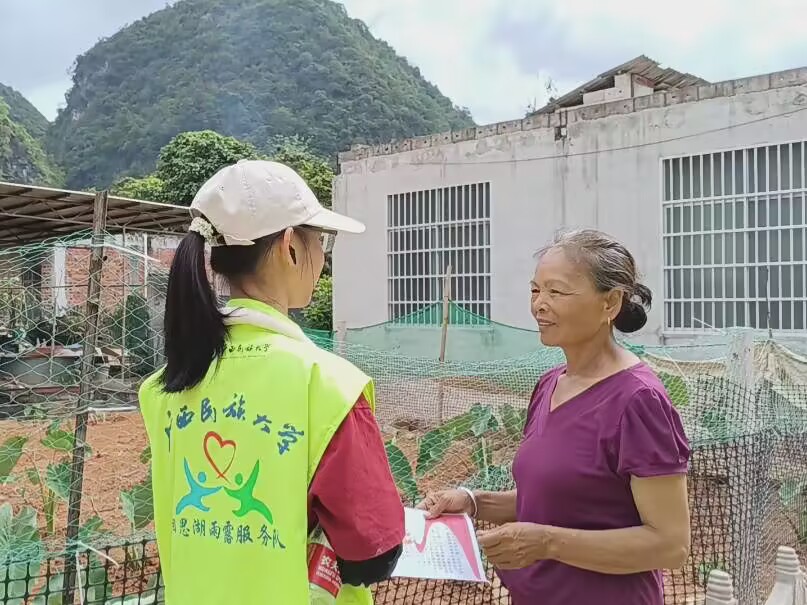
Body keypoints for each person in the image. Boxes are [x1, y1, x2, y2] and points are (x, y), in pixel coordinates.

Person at [139, 160, 405, 605]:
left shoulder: (166, 386)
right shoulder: (326, 385)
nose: (323, 256)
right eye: (319, 240)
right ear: (290, 247)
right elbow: (372, 556)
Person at [419, 229, 691, 605]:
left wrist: (548, 543)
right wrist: (472, 500)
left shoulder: (638, 400)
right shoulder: (550, 384)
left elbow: (670, 544)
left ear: (609, 303)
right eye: (535, 290)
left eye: (556, 292)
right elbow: (555, 499)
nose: (539, 305)